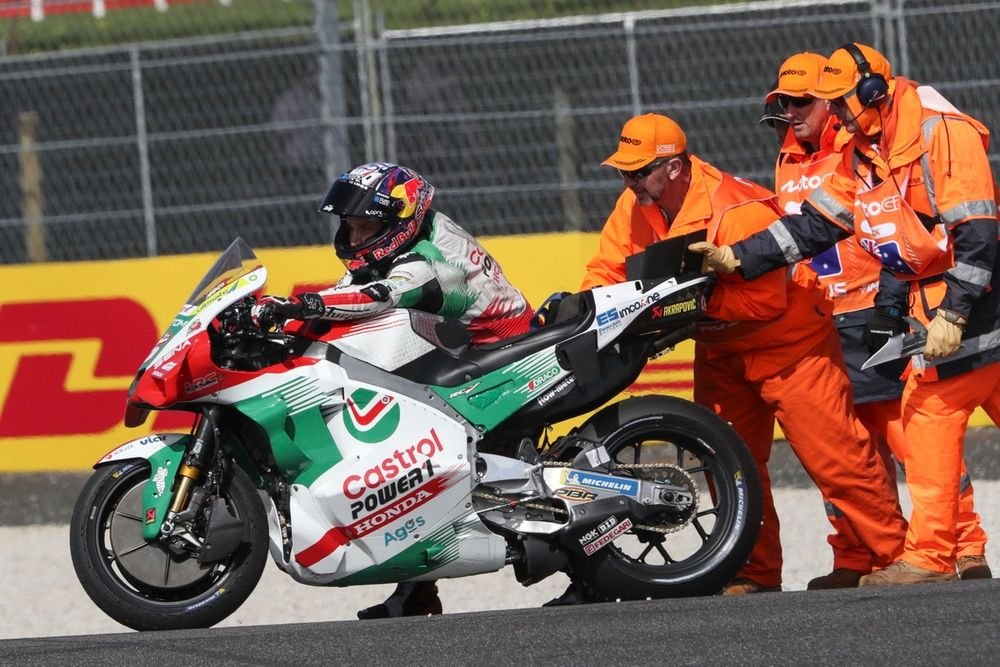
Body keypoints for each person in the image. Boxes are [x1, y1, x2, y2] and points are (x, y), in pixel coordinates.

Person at [692, 43, 1000, 585]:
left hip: (968, 302)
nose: (831, 113)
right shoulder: (862, 151)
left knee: (920, 423)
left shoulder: (939, 131)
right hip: (917, 308)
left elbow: (977, 231)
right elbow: (815, 225)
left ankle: (952, 551)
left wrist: (952, 313)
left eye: (834, 101)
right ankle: (929, 556)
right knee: (918, 421)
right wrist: (739, 257)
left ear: (873, 91)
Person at [581, 112, 906, 595]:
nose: (629, 183)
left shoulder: (737, 208)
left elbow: (765, 302)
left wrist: (689, 303)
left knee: (839, 460)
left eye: (638, 171)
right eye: (624, 172)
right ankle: (754, 572)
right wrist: (590, 308)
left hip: (791, 345)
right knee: (728, 467)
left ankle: (893, 558)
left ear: (674, 167)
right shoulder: (634, 205)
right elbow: (607, 270)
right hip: (720, 349)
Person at [254, 161, 535, 616]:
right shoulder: (402, 242)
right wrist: (281, 322)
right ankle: (417, 594)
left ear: (399, 222)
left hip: (501, 360)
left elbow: (378, 296)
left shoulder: (429, 260)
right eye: (349, 226)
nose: (354, 237)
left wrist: (300, 305)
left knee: (419, 457)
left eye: (365, 227)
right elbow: (345, 295)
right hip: (461, 351)